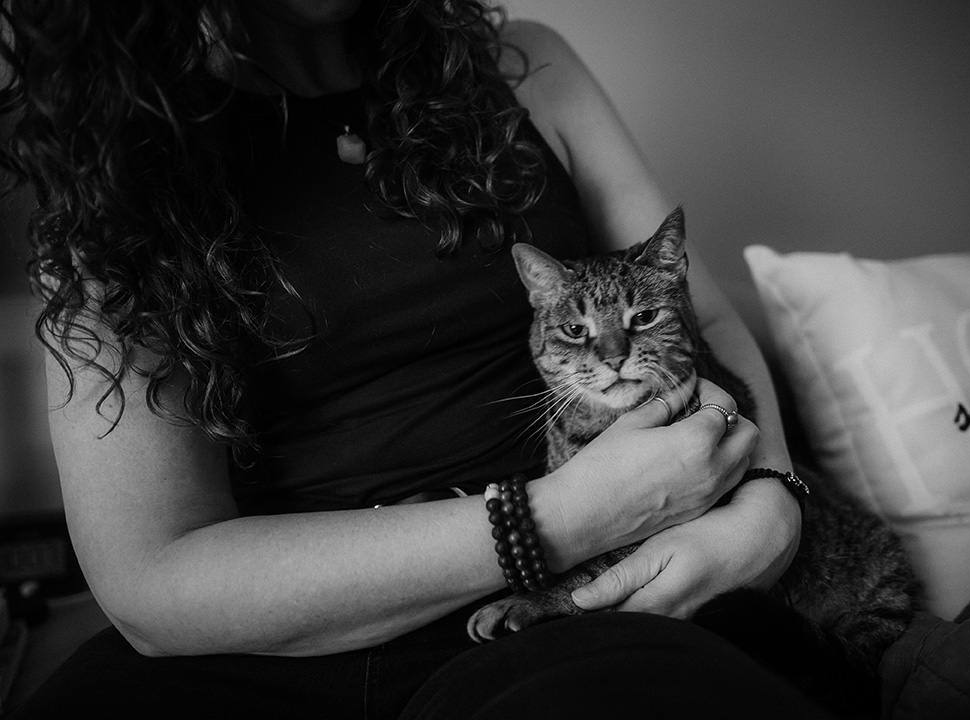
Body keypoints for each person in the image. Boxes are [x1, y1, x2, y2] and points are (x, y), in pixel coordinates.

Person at [0, 1, 814, 717]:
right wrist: (560, 519)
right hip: (273, 631)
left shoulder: (529, 67)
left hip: (575, 604)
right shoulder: (116, 175)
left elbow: (700, 313)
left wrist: (774, 501)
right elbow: (149, 583)